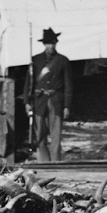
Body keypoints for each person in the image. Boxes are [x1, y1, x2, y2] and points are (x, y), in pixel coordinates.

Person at [25, 28, 72, 163]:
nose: (51, 46)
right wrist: (27, 102)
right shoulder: (35, 60)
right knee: (40, 135)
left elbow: (68, 85)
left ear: (56, 43)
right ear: (44, 44)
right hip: (39, 102)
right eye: (48, 43)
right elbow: (29, 83)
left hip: (56, 102)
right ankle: (44, 163)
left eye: (53, 43)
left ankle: (56, 164)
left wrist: (67, 105)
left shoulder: (63, 61)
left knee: (55, 135)